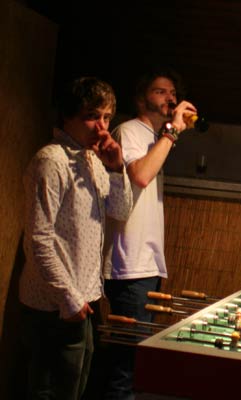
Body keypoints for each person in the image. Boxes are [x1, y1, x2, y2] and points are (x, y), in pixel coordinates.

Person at [19, 77, 133, 400]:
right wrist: (68, 299)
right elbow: (38, 239)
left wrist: (116, 168)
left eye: (107, 117)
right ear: (68, 116)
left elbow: (121, 210)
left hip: (84, 298)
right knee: (49, 391)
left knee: (76, 388)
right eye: (92, 116)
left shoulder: (93, 159)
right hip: (53, 304)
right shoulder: (51, 160)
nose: (102, 127)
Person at [102, 68, 198, 399]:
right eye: (160, 91)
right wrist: (171, 132)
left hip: (146, 263)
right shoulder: (129, 130)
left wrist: (168, 135)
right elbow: (140, 176)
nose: (170, 97)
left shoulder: (155, 137)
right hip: (129, 264)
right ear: (142, 98)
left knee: (134, 362)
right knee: (123, 368)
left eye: (173, 92)